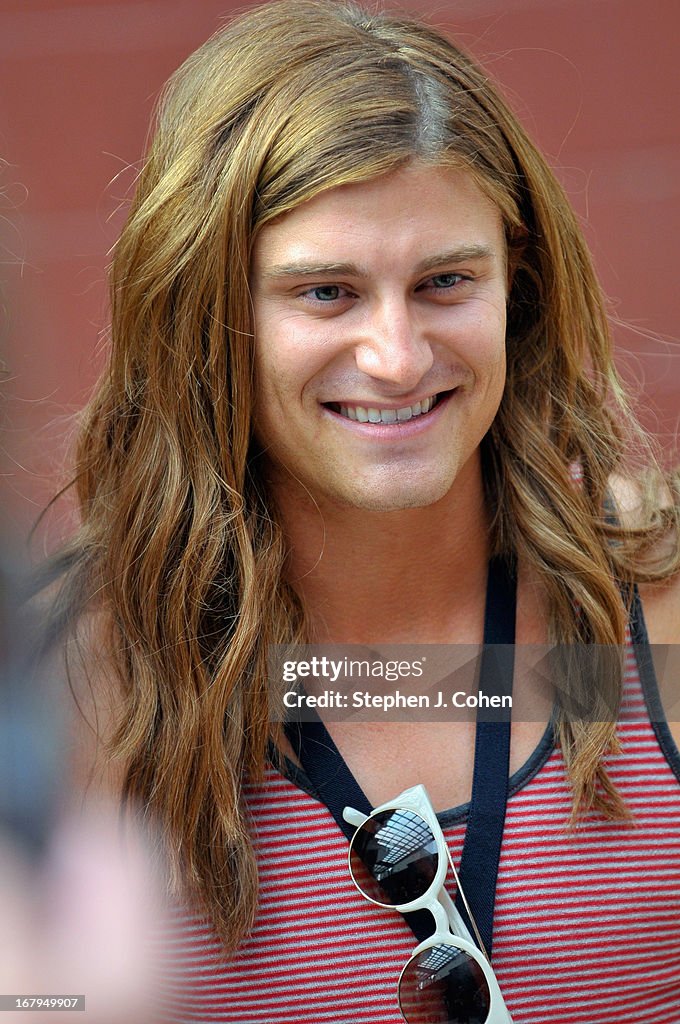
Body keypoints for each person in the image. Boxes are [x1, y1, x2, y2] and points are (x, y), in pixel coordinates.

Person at [44, 1, 680, 1021]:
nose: (396, 355)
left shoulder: (653, 602)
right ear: (208, 316)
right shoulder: (93, 670)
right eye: (326, 293)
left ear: (513, 285)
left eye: (442, 282)